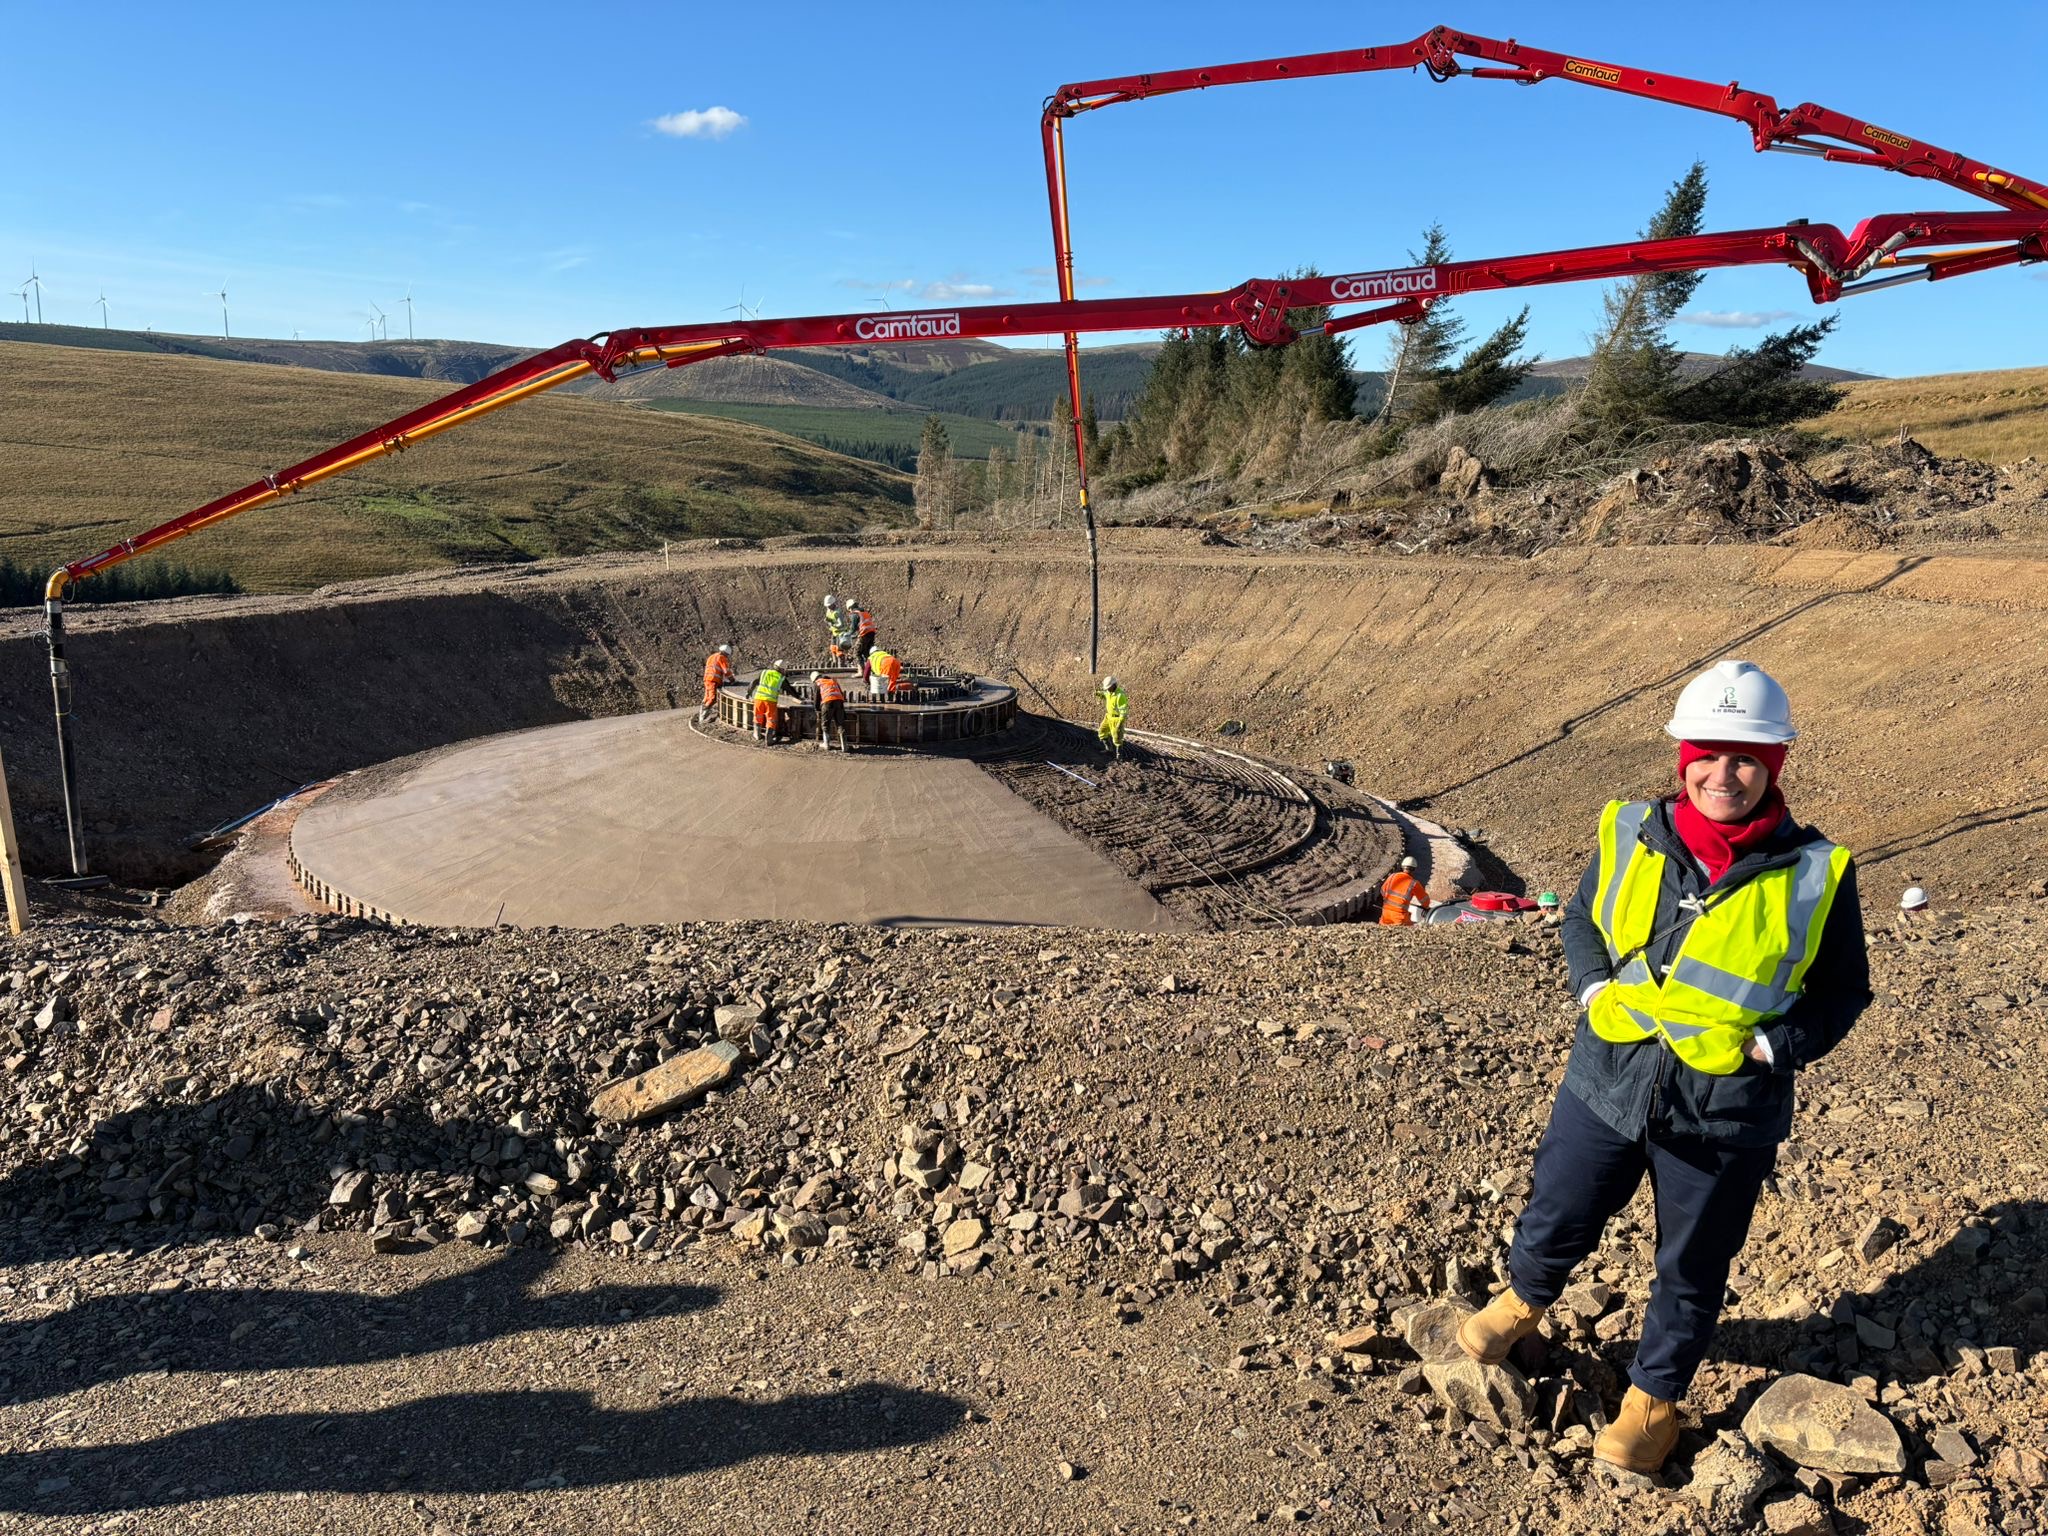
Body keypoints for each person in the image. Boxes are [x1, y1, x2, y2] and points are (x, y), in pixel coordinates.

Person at [1457, 659, 1871, 1476]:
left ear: (1774, 765)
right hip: (1607, 1076)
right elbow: (1582, 917)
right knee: (1560, 1205)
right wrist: (1590, 986)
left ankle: (1654, 1399)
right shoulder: (1627, 829)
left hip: (1726, 1110)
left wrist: (1774, 1049)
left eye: (1747, 758)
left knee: (1692, 1262)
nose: (1725, 775)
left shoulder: (1819, 873)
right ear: (1683, 759)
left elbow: (1842, 993)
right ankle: (1522, 1301)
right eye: (1709, 755)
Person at [1377, 856, 1431, 927]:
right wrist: (1427, 908)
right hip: (1399, 919)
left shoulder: (1392, 876)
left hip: (1385, 916)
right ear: (1414, 869)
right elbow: (1425, 901)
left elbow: (1383, 891)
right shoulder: (1414, 883)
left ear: (1402, 867)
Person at [751, 660, 786, 742]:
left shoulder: (764, 672)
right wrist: (799, 697)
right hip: (771, 701)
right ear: (782, 669)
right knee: (771, 719)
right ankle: (769, 738)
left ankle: (757, 735)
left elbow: (754, 682)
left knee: (757, 716)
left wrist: (749, 692)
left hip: (758, 698)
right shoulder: (781, 677)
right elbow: (789, 690)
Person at [812, 671, 849, 752]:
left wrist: (817, 709)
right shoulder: (833, 681)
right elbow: (841, 694)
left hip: (827, 702)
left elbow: (816, 698)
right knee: (840, 723)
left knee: (825, 724)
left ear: (814, 679)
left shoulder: (817, 683)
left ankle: (826, 744)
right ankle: (844, 745)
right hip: (839, 702)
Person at [699, 643, 734, 723]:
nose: (727, 657)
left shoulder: (712, 656)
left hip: (707, 679)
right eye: (727, 655)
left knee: (707, 697)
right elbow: (726, 671)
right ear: (726, 653)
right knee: (712, 698)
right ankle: (703, 717)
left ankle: (701, 714)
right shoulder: (722, 658)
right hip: (713, 680)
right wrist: (732, 679)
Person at [1097, 675, 1128, 759]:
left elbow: (1123, 711)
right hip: (1108, 717)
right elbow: (1105, 695)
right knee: (1102, 732)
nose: (1107, 689)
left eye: (1108, 687)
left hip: (1116, 718)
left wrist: (1119, 723)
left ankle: (1119, 755)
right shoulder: (1108, 692)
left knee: (1117, 738)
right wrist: (1098, 694)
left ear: (1114, 685)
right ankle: (1109, 749)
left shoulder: (1120, 696)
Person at [823, 595, 854, 663]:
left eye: (829, 605)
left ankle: (842, 661)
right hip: (834, 632)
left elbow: (841, 624)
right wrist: (828, 620)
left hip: (840, 633)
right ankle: (836, 661)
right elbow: (830, 619)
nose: (828, 607)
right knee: (832, 648)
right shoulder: (828, 611)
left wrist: (832, 624)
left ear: (833, 604)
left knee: (839, 650)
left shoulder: (837, 612)